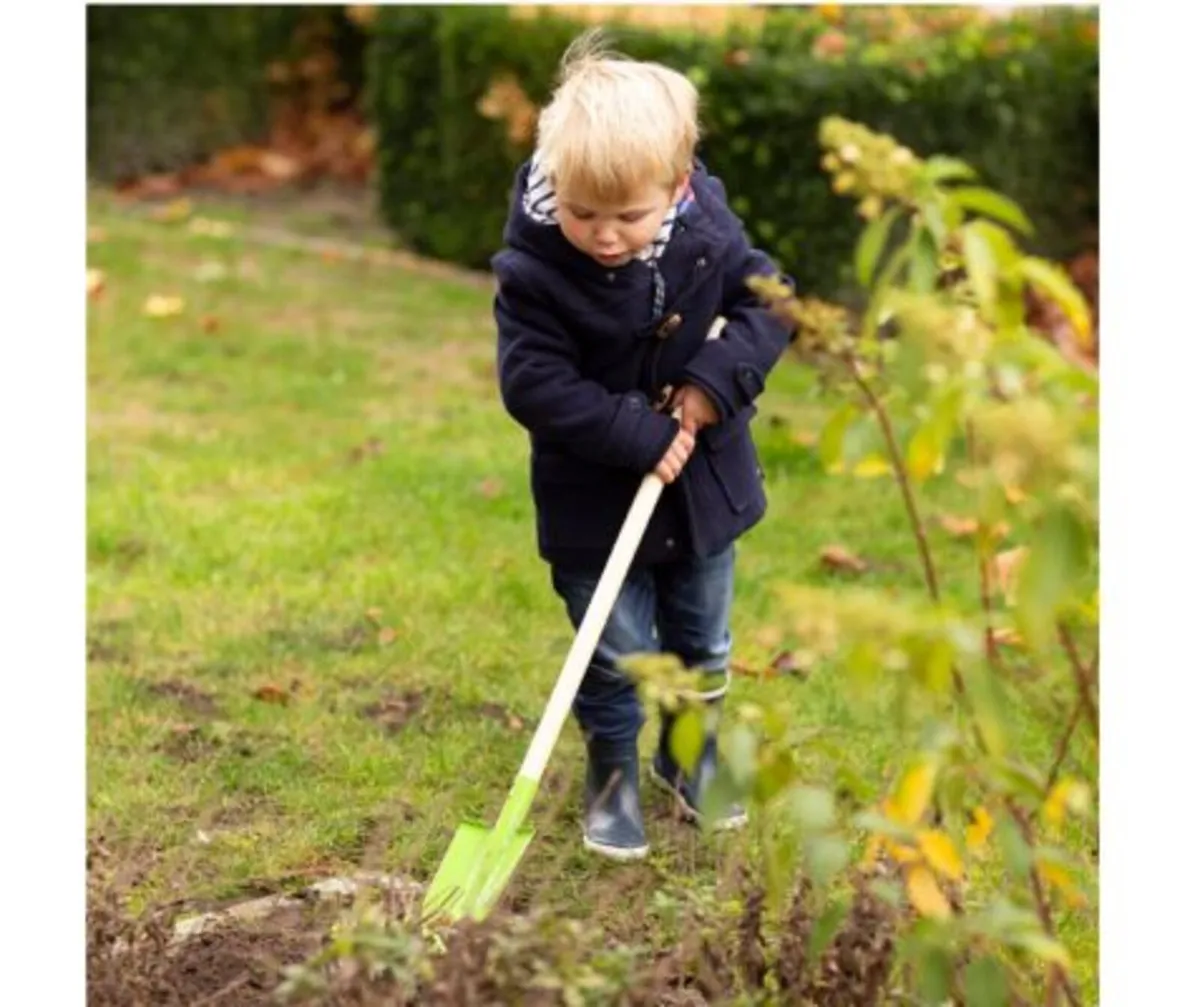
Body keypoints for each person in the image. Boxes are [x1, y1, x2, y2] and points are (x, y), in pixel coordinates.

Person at [492, 30, 795, 861]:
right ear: (559, 185)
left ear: (678, 184)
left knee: (704, 640)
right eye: (585, 212)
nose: (606, 235)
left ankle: (689, 758)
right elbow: (534, 384)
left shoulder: (708, 231)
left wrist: (712, 382)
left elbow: (773, 304)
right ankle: (613, 774)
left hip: (702, 492)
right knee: (614, 652)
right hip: (595, 500)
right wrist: (641, 431)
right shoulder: (536, 272)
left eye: (629, 215)